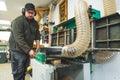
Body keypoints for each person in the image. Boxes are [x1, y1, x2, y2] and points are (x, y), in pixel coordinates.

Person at [9, 3, 40, 80]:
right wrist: (29, 50)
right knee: (19, 73)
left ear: (34, 13)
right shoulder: (17, 22)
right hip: (17, 51)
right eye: (28, 12)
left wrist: (38, 48)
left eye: (32, 13)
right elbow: (19, 39)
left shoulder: (35, 23)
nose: (30, 14)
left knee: (26, 70)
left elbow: (37, 36)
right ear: (24, 12)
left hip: (26, 51)